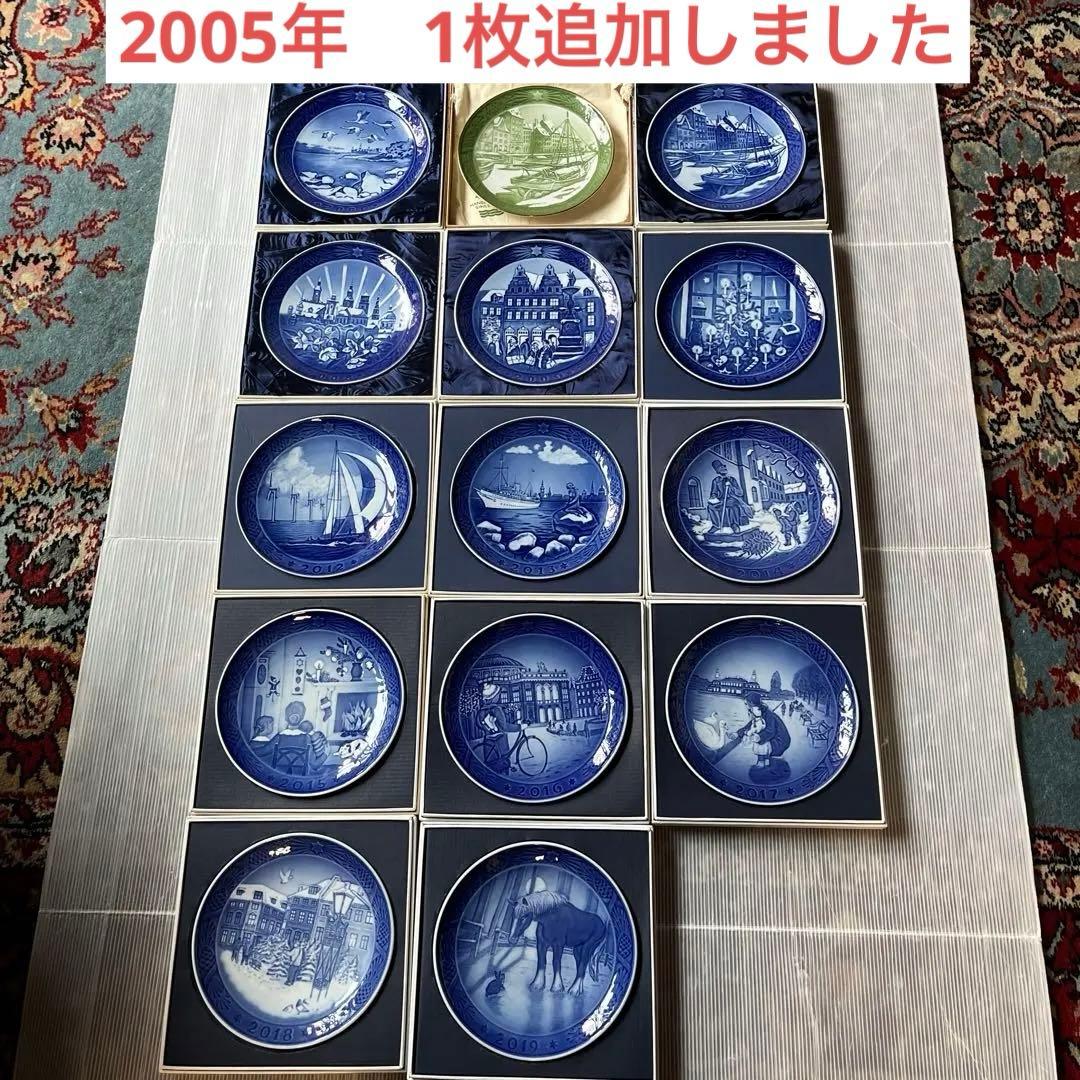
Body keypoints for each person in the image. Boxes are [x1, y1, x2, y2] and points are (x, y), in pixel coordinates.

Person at [707, 462, 753, 532]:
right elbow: (714, 492)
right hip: (721, 500)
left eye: (724, 466)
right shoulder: (716, 481)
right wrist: (713, 497)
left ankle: (734, 524)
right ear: (717, 471)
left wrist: (731, 486)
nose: (724, 468)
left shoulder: (732, 479)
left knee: (731, 504)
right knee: (710, 506)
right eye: (721, 467)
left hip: (733, 499)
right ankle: (716, 525)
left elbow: (740, 492)